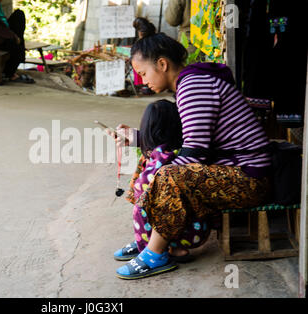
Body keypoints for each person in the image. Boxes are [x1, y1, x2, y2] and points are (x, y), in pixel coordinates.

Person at [110, 33, 272, 280]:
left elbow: (194, 152)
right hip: (232, 170)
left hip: (247, 178)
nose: (142, 82)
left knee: (167, 175)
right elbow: (184, 140)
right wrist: (138, 138)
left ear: (162, 64)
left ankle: (155, 252)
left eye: (143, 73)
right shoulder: (190, 84)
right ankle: (148, 236)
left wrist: (157, 179)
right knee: (154, 161)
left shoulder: (193, 85)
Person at [113, 100, 212, 267]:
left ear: (149, 130)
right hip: (198, 228)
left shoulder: (161, 157)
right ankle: (168, 248)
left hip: (188, 232)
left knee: (145, 204)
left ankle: (152, 248)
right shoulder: (183, 150)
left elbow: (142, 190)